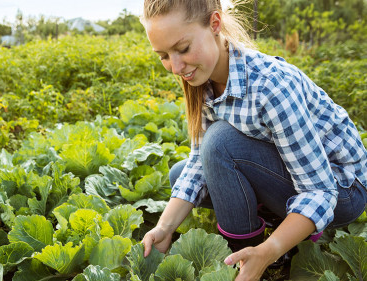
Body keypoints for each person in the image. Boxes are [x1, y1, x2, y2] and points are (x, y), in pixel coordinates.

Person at [139, 0, 367, 280]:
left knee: (219, 142)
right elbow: (199, 161)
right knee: (180, 175)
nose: (175, 67)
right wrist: (164, 227)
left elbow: (320, 192)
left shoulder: (271, 86)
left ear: (214, 24)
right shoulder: (202, 76)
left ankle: (258, 255)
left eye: (183, 49)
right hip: (291, 175)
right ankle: (269, 232)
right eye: (163, 55)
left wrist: (269, 250)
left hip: (341, 189)